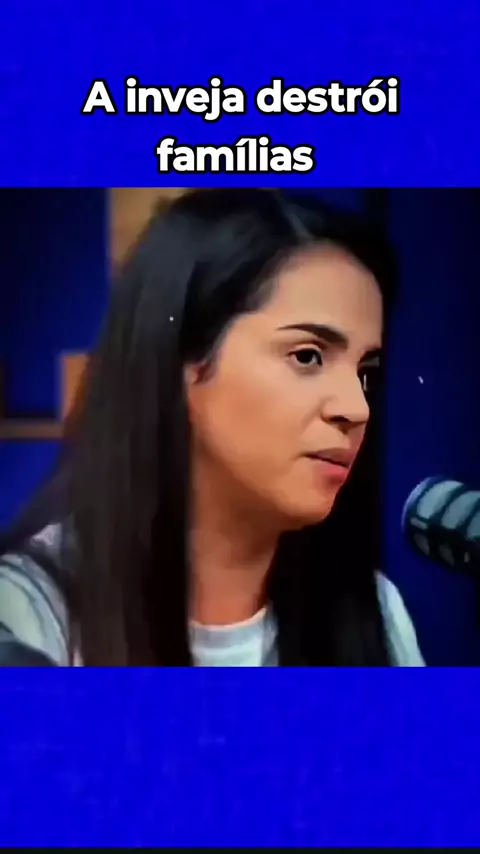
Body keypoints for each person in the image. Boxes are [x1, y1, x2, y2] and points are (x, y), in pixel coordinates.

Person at [0, 188, 425, 666]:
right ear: (181, 363)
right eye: (308, 356)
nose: (357, 408)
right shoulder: (27, 614)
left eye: (365, 372)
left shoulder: (376, 613)